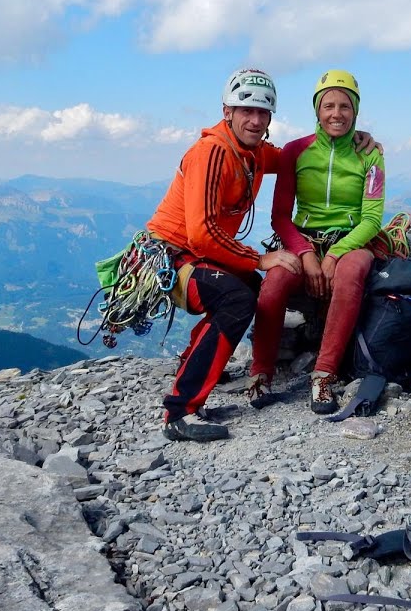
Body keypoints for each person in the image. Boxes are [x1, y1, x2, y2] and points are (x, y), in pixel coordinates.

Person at [146, 68, 380, 442]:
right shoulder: (212, 152)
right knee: (236, 298)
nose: (255, 120)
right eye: (246, 111)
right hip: (173, 258)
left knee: (250, 290)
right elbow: (201, 234)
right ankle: (180, 411)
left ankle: (194, 362)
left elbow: (299, 154)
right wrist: (261, 258)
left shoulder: (252, 151)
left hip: (198, 256)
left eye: (263, 113)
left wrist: (360, 137)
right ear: (227, 112)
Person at [246, 69, 385, 415]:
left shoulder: (371, 155)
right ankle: (260, 372)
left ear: (355, 111)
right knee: (276, 280)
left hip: (351, 241)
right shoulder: (295, 152)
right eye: (328, 106)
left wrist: (336, 254)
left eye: (344, 106)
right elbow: (280, 215)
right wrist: (306, 254)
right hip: (303, 239)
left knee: (351, 273)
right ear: (317, 111)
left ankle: (324, 374)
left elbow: (372, 218)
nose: (336, 114)